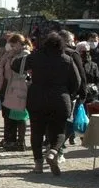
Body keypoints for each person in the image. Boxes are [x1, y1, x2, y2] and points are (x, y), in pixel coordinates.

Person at [15, 32, 81, 175]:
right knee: (59, 131)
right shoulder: (67, 59)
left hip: (37, 97)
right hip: (60, 99)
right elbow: (77, 81)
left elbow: (16, 65)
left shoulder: (35, 57)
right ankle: (52, 152)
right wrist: (68, 92)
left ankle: (38, 164)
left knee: (36, 131)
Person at [0, 33, 30, 151]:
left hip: (20, 88)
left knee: (21, 115)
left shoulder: (24, 54)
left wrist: (11, 57)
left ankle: (20, 142)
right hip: (11, 87)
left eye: (13, 45)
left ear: (20, 44)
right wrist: (7, 55)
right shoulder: (13, 54)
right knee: (12, 115)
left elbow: (18, 70)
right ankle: (12, 140)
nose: (12, 48)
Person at [0, 32, 17, 149]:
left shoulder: (18, 54)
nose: (6, 43)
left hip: (12, 87)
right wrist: (4, 53)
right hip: (4, 86)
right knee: (6, 114)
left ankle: (12, 139)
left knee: (11, 114)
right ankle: (7, 138)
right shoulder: (7, 54)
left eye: (8, 41)